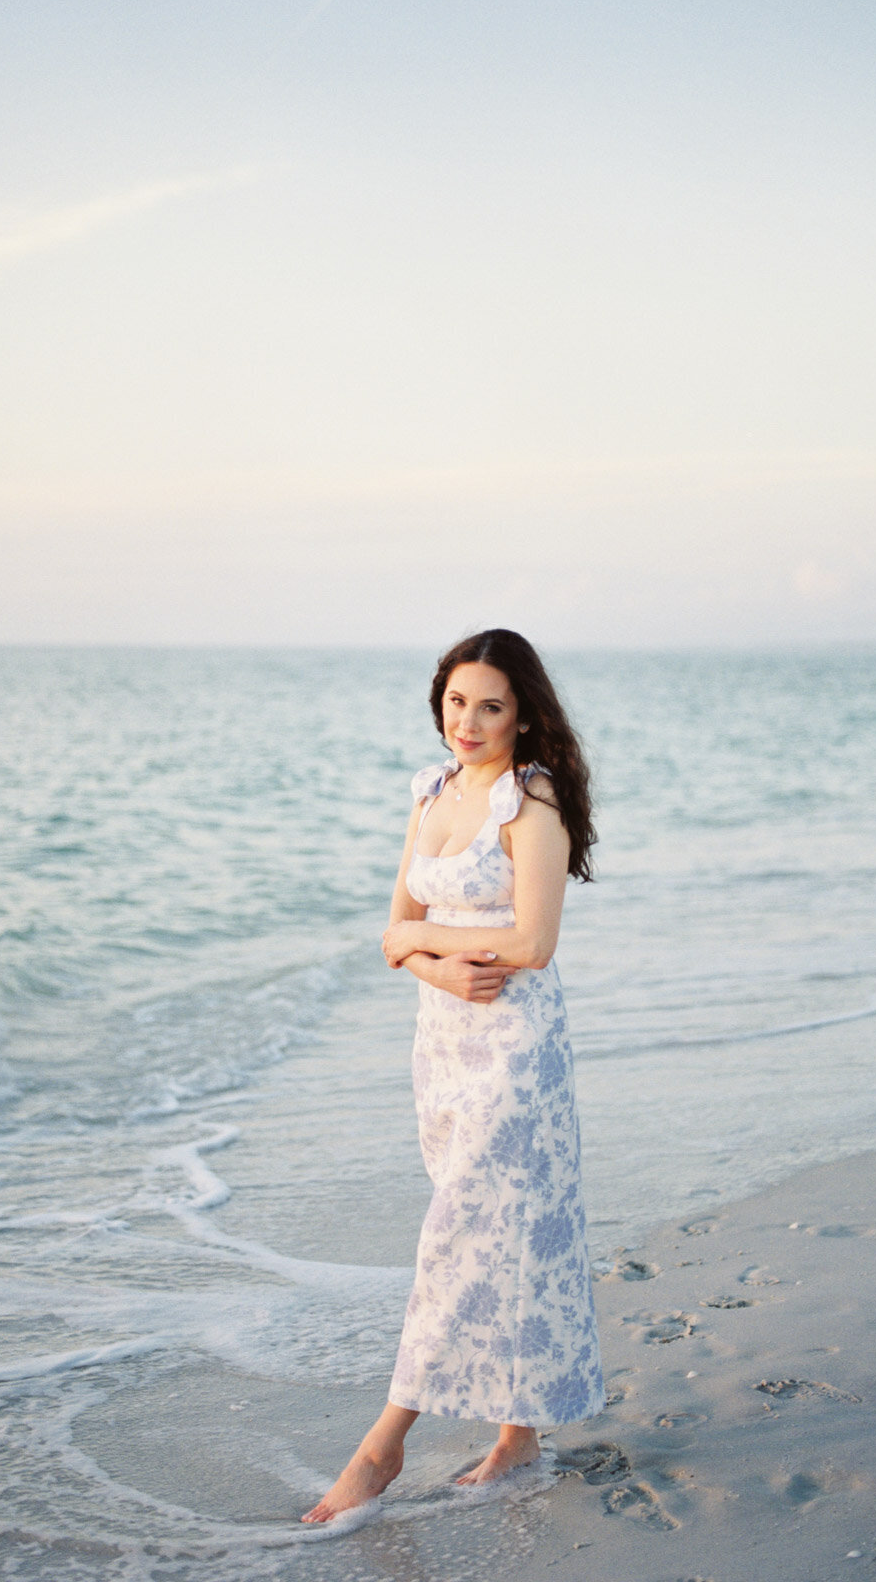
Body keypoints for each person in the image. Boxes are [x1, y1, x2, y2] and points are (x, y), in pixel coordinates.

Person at [302, 627, 605, 1525]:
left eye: (490, 706)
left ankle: (381, 1447)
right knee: (495, 1230)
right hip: (442, 1046)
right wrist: (428, 960)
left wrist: (421, 943)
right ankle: (519, 1435)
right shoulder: (431, 792)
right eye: (456, 702)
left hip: (516, 1054)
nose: (468, 722)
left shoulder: (532, 803)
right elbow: (397, 925)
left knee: (459, 1234)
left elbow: (535, 945)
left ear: (524, 715)